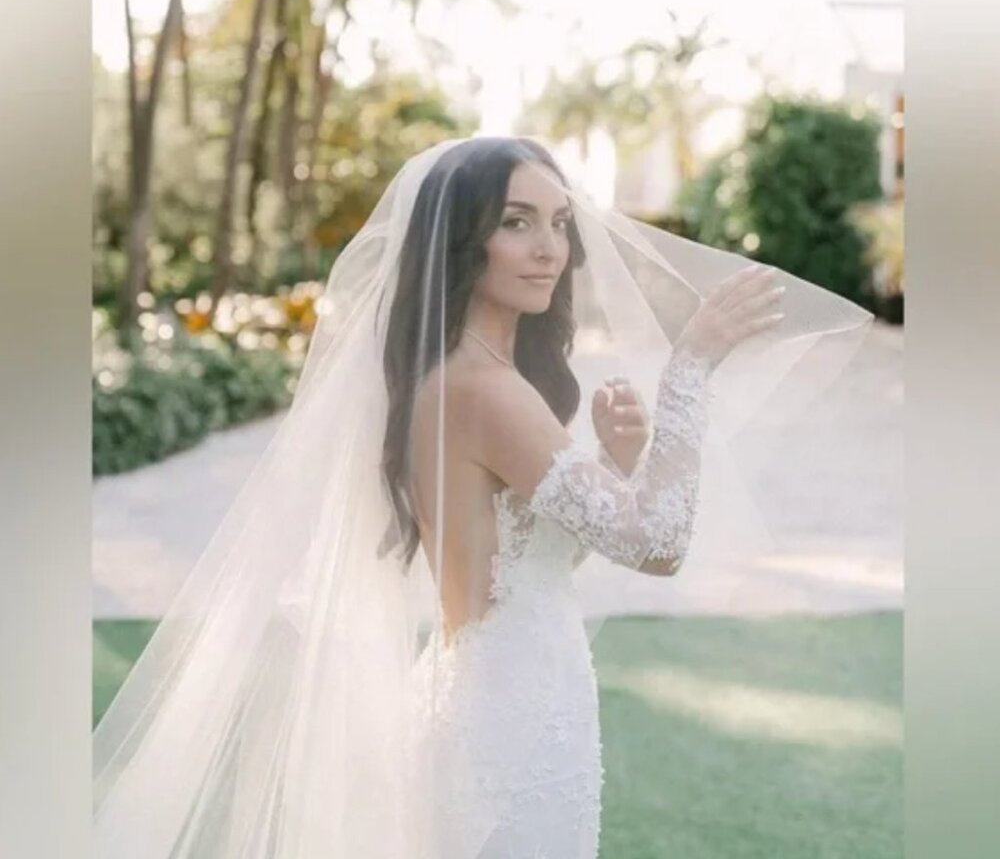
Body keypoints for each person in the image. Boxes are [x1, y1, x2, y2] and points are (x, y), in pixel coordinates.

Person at [93, 136, 872, 858]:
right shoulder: (486, 392)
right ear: (464, 243)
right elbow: (657, 544)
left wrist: (616, 459)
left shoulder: (448, 382)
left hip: (486, 698)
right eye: (517, 222)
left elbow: (524, 555)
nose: (550, 250)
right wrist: (692, 368)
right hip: (515, 724)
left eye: (561, 224)